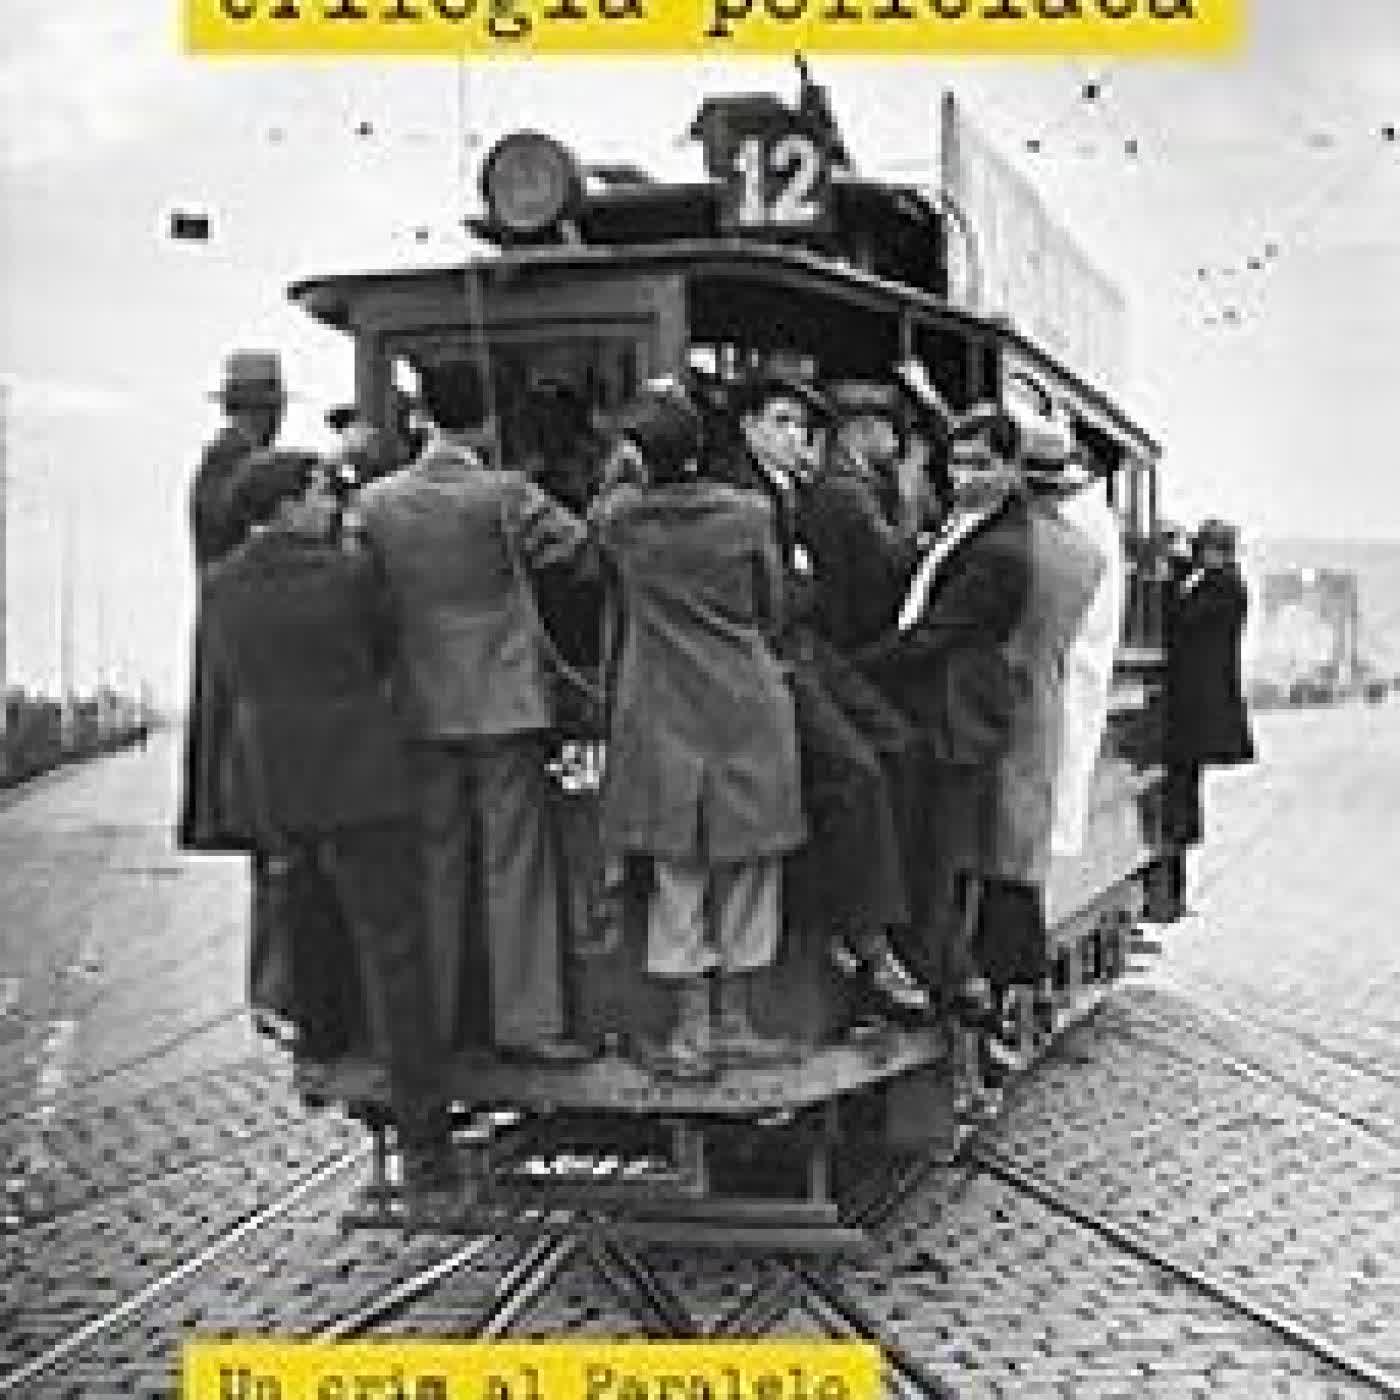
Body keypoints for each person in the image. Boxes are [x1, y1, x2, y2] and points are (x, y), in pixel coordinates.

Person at [200, 449, 458, 1197]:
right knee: (396, 952)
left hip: (274, 782)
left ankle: (323, 1046)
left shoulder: (221, 584)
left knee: (307, 919)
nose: (331, 505)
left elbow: (226, 676)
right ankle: (425, 1142)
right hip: (360, 775)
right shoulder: (350, 574)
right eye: (319, 493)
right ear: (285, 504)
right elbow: (385, 647)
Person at [357, 360, 593, 1062]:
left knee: (434, 865)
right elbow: (580, 552)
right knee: (516, 865)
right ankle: (528, 1025)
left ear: (424, 416)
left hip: (418, 704)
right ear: (488, 421)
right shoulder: (508, 495)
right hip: (503, 702)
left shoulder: (378, 503)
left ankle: (432, 1025)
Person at [592, 391, 806, 1077]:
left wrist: (624, 471)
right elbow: (773, 607)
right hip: (746, 702)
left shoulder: (623, 520)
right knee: (749, 864)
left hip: (664, 709)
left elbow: (599, 525)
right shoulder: (749, 514)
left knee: (677, 869)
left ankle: (690, 1032)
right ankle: (739, 1020)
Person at [715, 372, 928, 1019]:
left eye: (801, 426)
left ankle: (886, 916)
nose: (794, 437)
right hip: (775, 657)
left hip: (808, 647)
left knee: (901, 745)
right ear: (749, 427)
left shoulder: (789, 491)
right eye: (780, 423)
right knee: (855, 771)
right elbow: (771, 598)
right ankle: (863, 939)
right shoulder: (742, 494)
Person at [859, 367, 1032, 1021]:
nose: (964, 477)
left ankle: (955, 983)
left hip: (956, 712)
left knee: (939, 855)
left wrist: (857, 667)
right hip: (939, 704)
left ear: (1011, 469)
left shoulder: (1000, 551)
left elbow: (935, 636)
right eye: (957, 464)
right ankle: (945, 975)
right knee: (926, 845)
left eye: (981, 465)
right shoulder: (972, 520)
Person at [179, 350, 294, 1043]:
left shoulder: (221, 464)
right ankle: (275, 993)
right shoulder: (233, 472)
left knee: (274, 843)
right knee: (275, 840)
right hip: (248, 677)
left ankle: (276, 991)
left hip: (238, 669)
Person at [1162, 518, 1255, 909]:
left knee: (1181, 793)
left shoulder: (1224, 588)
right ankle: (1173, 888)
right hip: (1198, 707)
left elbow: (1180, 617)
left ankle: (1174, 890)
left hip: (1198, 708)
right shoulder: (1221, 584)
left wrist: (1170, 575)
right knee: (1182, 791)